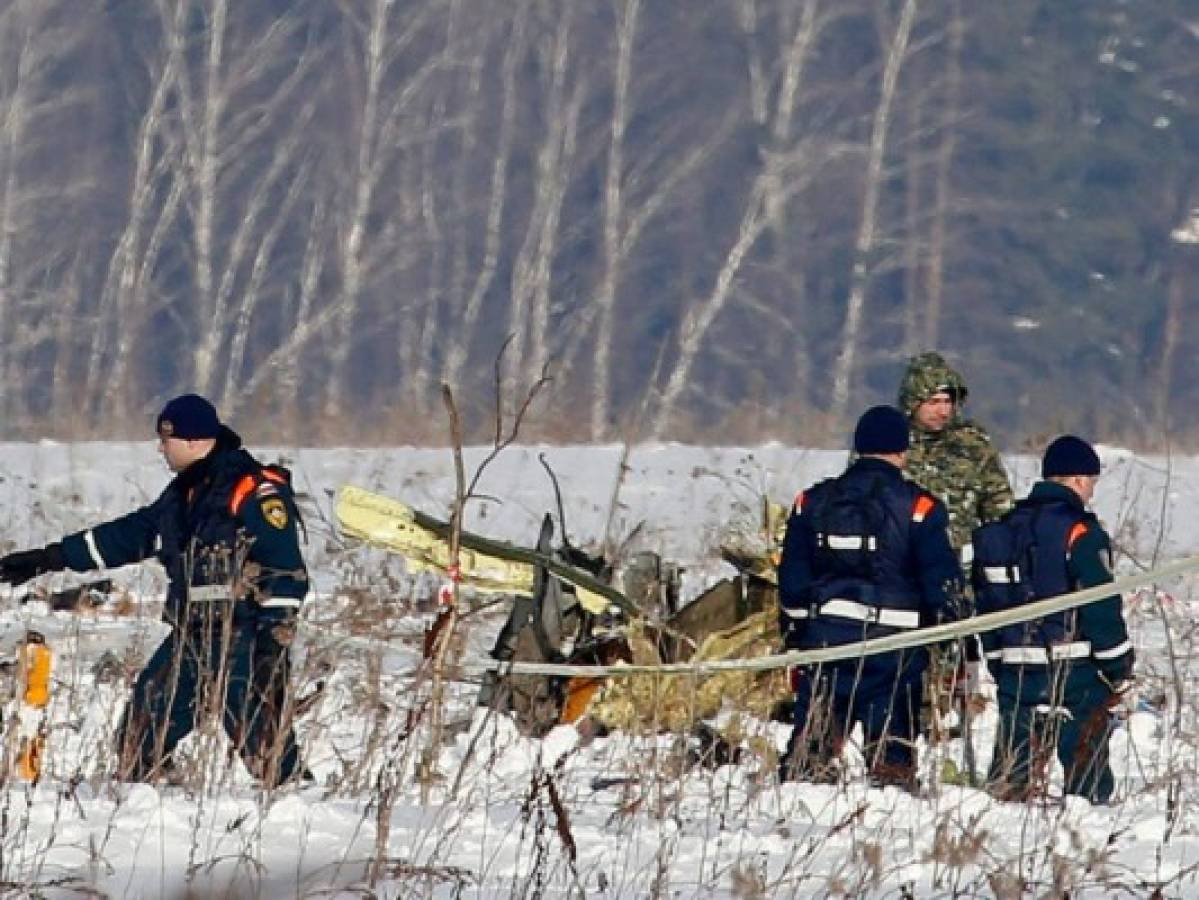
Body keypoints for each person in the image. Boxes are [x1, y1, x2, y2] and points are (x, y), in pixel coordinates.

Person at [0, 394, 309, 788]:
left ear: (196, 441)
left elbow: (285, 567)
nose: (160, 448)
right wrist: (50, 557)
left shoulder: (254, 490)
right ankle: (149, 804)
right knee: (141, 733)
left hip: (244, 637)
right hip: (190, 637)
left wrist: (272, 640)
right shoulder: (183, 496)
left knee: (267, 746)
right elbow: (128, 536)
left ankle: (300, 811)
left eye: (167, 440)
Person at [777, 405, 963, 789]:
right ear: (903, 450)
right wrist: (952, 636)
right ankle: (887, 807)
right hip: (895, 651)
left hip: (827, 645)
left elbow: (793, 580)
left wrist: (798, 632)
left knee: (809, 757)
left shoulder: (811, 502)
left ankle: (798, 811)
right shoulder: (920, 508)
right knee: (891, 760)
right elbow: (942, 585)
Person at [972, 435, 1133, 803]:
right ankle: (1086, 834)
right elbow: (1101, 605)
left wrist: (997, 661)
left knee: (1008, 791)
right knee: (1087, 788)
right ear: (1077, 480)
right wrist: (1117, 665)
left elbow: (986, 607)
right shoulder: (1081, 533)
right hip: (1074, 674)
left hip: (1016, 673)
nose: (1091, 491)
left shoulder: (999, 533)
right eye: (1091, 481)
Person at [898, 351, 1014, 558]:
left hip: (960, 566)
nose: (943, 411)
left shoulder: (972, 445)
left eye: (947, 402)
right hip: (899, 566)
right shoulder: (890, 442)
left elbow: (999, 507)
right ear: (913, 403)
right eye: (933, 402)